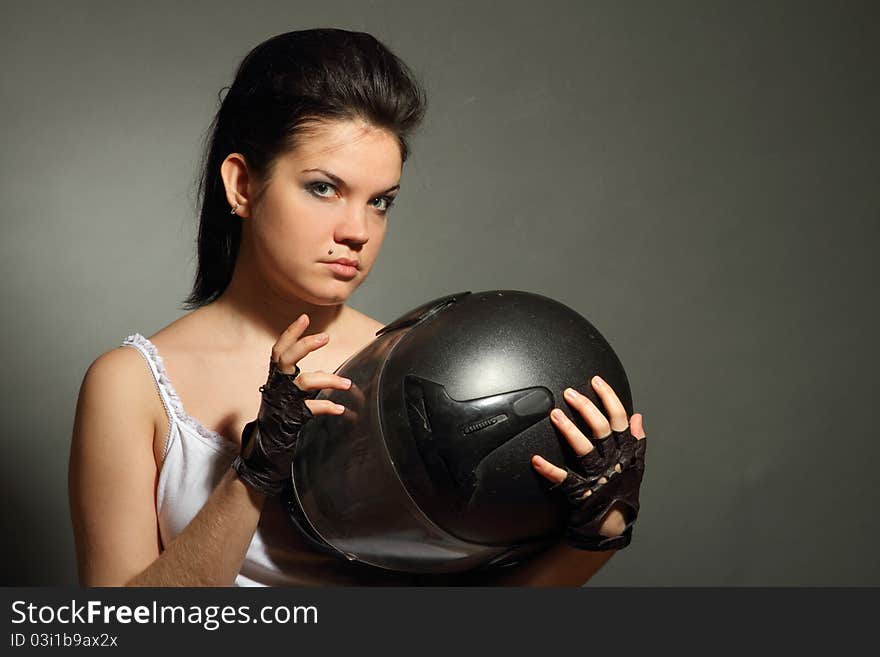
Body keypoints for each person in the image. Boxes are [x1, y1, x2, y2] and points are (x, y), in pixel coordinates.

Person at [68, 28, 647, 587]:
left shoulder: (414, 362)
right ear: (242, 185)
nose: (357, 231)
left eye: (380, 202)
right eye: (324, 188)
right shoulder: (131, 386)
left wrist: (596, 535)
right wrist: (254, 475)